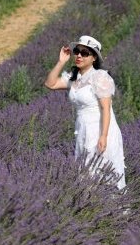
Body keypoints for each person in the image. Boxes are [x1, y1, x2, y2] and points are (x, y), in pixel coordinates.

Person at [44, 35, 126, 190]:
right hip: (83, 130)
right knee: (86, 175)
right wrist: (61, 62)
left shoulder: (100, 77)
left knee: (103, 173)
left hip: (100, 129)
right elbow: (50, 84)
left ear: (94, 58)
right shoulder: (74, 78)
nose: (79, 55)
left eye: (85, 53)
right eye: (77, 51)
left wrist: (104, 136)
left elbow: (106, 109)